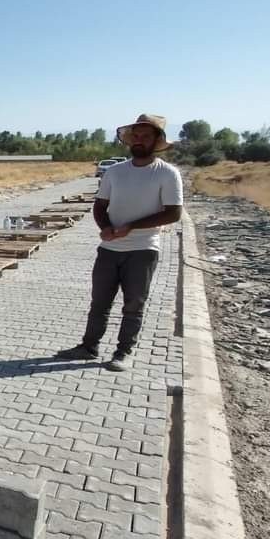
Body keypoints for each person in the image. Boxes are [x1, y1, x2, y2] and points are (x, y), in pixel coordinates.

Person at [56, 114, 182, 371]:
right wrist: (105, 228)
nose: (139, 140)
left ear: (156, 140)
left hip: (143, 250)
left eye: (145, 136)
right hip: (109, 249)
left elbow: (174, 213)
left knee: (134, 305)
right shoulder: (115, 172)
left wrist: (131, 227)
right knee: (99, 302)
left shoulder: (168, 174)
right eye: (135, 135)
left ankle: (123, 352)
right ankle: (88, 346)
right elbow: (100, 206)